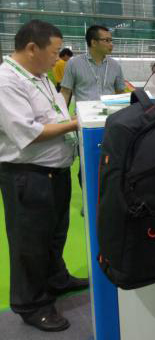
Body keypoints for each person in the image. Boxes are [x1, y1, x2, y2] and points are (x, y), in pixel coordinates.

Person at [0, 20, 89, 332]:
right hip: (28, 175)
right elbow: (28, 132)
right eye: (54, 52)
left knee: (54, 234)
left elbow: (52, 114)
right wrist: (76, 123)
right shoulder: (7, 81)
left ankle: (55, 278)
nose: (58, 58)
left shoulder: (39, 76)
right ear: (31, 48)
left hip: (55, 172)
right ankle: (31, 304)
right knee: (30, 243)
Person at [60, 25, 125, 106]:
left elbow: (120, 92)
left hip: (110, 112)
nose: (111, 44)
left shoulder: (115, 65)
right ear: (93, 42)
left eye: (111, 40)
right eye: (107, 40)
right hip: (84, 112)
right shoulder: (73, 64)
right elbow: (65, 92)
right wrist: (62, 113)